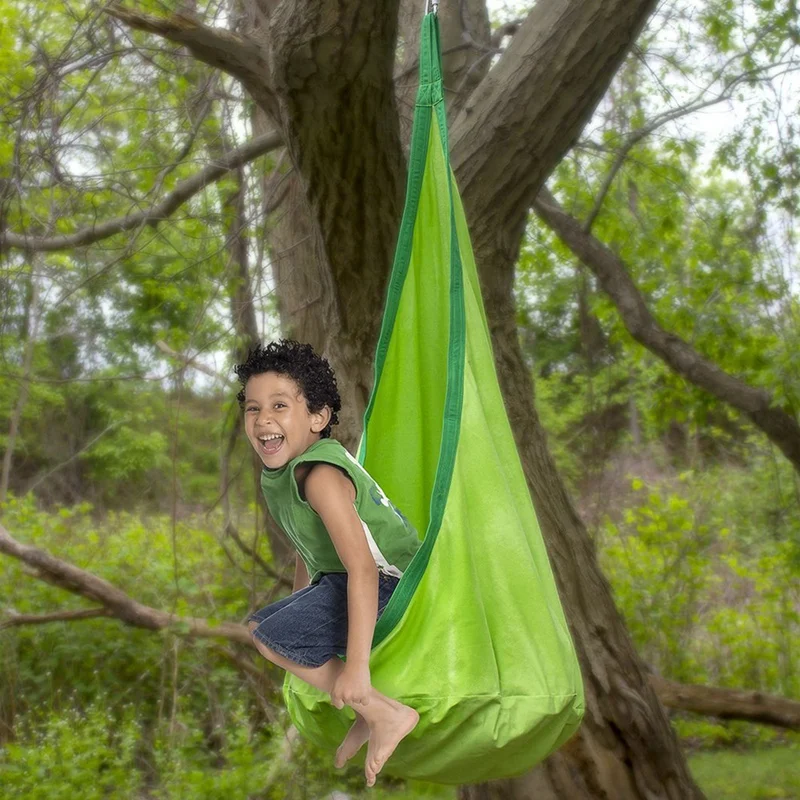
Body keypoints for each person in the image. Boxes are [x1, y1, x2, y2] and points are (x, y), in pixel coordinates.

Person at [235, 340, 421, 787]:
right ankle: (370, 709)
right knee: (275, 626)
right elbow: (308, 544)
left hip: (391, 584)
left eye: (280, 405)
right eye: (253, 408)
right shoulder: (282, 473)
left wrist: (355, 670)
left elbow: (363, 569)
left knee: (265, 634)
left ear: (318, 418)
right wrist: (302, 604)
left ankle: (385, 712)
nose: (263, 421)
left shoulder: (320, 474)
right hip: (351, 581)